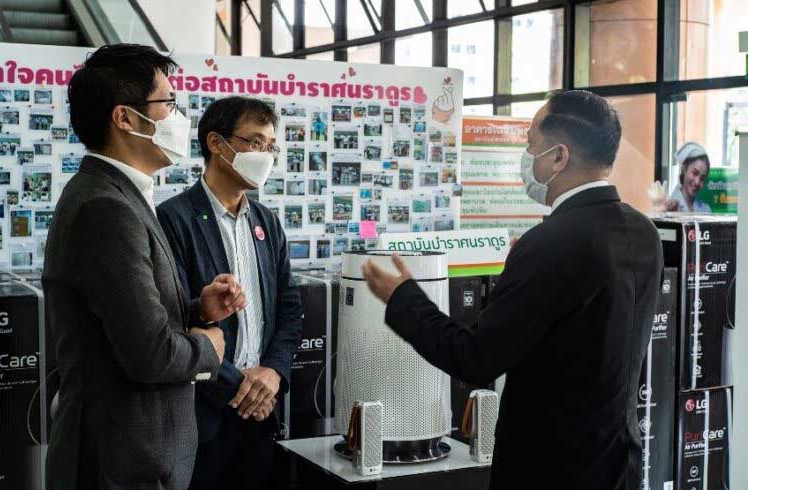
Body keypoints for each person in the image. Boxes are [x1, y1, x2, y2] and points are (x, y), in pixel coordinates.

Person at [359, 90, 663, 490]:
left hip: (549, 470)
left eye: (531, 145)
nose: (525, 156)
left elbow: (476, 358)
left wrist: (403, 298)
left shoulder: (550, 243)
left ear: (559, 157)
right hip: (618, 466)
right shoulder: (645, 233)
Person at [42, 43, 246, 490]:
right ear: (125, 118)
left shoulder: (121, 194)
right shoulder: (105, 208)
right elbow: (150, 354)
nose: (178, 115)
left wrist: (197, 310)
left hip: (136, 457)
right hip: (121, 463)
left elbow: (120, 319)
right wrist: (210, 346)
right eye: (168, 103)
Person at [156, 96, 304, 490]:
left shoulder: (267, 223)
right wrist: (237, 386)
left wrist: (273, 373)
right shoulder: (173, 220)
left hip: (262, 411)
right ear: (217, 144)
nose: (266, 154)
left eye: (270, 145)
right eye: (255, 142)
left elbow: (290, 310)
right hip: (203, 412)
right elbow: (170, 318)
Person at [664, 142, 713, 213]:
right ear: (684, 168)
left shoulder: (706, 209)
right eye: (694, 173)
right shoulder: (668, 208)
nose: (697, 182)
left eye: (702, 178)